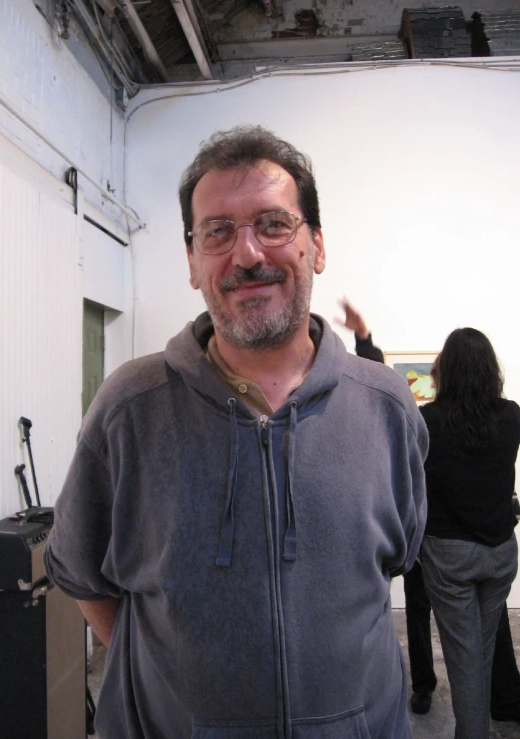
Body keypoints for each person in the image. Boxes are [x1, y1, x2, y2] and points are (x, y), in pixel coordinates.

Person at [45, 125, 428, 739]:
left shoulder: (385, 406)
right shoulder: (130, 408)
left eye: (274, 225)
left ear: (317, 247)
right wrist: (176, 692)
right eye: (218, 232)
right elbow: (84, 575)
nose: (246, 254)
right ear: (194, 263)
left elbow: (397, 557)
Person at [335, 299, 437, 714]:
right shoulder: (509, 416)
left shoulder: (431, 419)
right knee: (491, 624)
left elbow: (381, 392)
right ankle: (503, 696)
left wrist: (365, 339)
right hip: (478, 544)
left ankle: (424, 688)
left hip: (431, 536)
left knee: (416, 611)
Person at [420, 328, 520, 739]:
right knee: (477, 655)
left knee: (467, 660)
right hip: (500, 554)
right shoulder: (512, 413)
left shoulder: (429, 421)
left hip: (451, 558)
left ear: (448, 368)